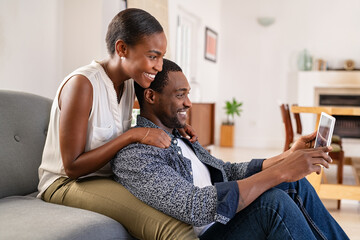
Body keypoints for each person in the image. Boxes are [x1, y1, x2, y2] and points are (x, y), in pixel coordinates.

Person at [111, 59, 349, 240]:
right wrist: (281, 171)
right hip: (208, 231)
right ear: (151, 96)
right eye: (180, 95)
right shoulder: (136, 155)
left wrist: (288, 156)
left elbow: (226, 171)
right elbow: (194, 206)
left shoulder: (179, 135)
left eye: (188, 94)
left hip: (224, 220)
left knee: (295, 184)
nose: (188, 103)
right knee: (273, 203)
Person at [37, 8, 199, 240]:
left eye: (161, 57)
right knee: (173, 228)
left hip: (108, 177)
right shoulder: (83, 85)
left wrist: (176, 123)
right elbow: (72, 167)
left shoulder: (131, 84)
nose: (159, 66)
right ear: (122, 49)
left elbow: (154, 109)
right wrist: (132, 136)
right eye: (153, 56)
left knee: (178, 208)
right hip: (65, 183)